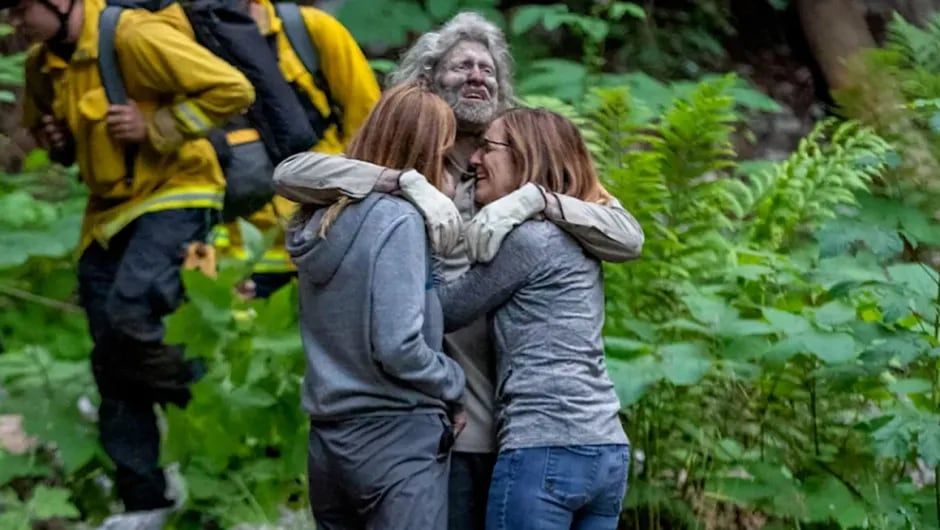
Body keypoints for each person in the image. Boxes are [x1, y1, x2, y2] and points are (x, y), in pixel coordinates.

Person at [271, 11, 643, 530]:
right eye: (461, 66)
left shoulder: (518, 168)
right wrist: (404, 182)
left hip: (529, 425)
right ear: (426, 80)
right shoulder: (414, 164)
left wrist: (537, 202)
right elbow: (292, 173)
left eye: (487, 69)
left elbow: (627, 236)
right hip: (449, 419)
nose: (477, 76)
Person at [8, 0, 254, 525]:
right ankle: (144, 501)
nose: (14, 23)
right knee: (109, 356)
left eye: (20, 8)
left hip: (177, 191)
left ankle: (214, 403)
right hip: (106, 215)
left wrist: (159, 122)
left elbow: (233, 88)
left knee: (130, 315)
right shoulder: (40, 66)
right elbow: (56, 145)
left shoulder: (132, 36)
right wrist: (58, 143)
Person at [277, 82, 466, 530]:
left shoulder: (322, 218)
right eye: (446, 153)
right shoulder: (398, 220)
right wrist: (453, 382)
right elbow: (398, 345)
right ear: (426, 153)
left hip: (328, 442)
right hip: (395, 439)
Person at [440, 108, 630, 530]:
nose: (474, 160)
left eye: (487, 148)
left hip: (543, 448)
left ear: (526, 156)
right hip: (607, 447)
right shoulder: (579, 232)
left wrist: (425, 255)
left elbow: (448, 311)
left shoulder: (529, 239)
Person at [218, 0, 380, 299]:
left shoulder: (308, 31)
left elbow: (372, 133)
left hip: (326, 243)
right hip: (236, 256)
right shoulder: (185, 40)